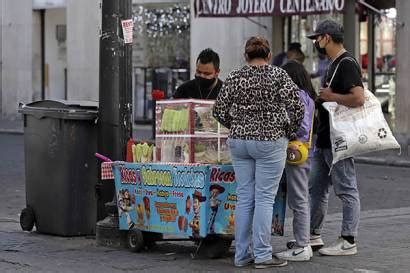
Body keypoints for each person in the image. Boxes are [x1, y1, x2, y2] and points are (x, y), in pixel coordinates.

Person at [213, 36, 304, 269]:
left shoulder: (234, 76)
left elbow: (219, 110)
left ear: (246, 56)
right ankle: (263, 255)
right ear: (269, 55)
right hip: (270, 141)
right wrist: (288, 131)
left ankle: (241, 254)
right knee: (264, 198)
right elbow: (297, 106)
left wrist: (235, 125)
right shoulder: (278, 75)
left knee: (244, 198)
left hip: (239, 142)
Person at [306, 19, 365, 256]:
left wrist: (331, 96)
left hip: (339, 139)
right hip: (324, 138)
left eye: (317, 38)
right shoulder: (333, 63)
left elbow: (358, 98)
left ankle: (348, 240)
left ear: (326, 38)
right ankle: (312, 236)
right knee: (316, 188)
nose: (316, 43)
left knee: (346, 188)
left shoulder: (347, 63)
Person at [274, 60, 316, 261]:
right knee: (300, 198)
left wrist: (285, 132)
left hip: (295, 151)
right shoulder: (307, 96)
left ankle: (302, 245)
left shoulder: (296, 96)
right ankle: (303, 242)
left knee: (298, 199)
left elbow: (301, 126)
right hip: (304, 152)